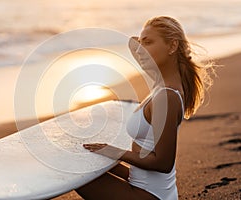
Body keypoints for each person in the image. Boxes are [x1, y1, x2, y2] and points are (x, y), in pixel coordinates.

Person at [75, 16, 214, 200]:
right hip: (141, 183)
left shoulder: (167, 96)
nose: (141, 49)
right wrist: (143, 40)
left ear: (172, 46)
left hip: (151, 194)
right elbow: (134, 46)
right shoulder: (160, 85)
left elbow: (163, 163)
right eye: (141, 43)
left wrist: (115, 152)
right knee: (87, 163)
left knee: (78, 176)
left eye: (148, 42)